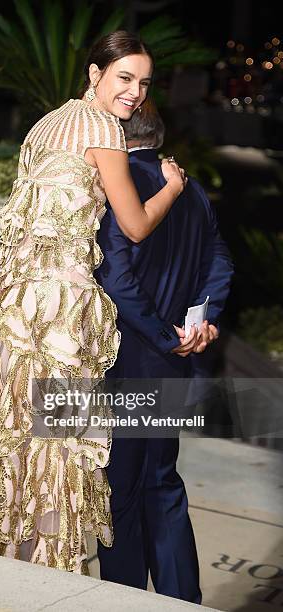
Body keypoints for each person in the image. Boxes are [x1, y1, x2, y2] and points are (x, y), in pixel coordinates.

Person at [0, 31, 188, 574]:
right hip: (62, 310)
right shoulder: (105, 131)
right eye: (124, 78)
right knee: (55, 438)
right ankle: (39, 571)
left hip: (16, 307)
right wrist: (172, 188)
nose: (134, 93)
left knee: (2, 425)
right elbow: (133, 226)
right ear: (95, 74)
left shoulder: (44, 125)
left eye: (143, 83)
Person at [95, 99, 233, 600]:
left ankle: (123, 600)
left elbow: (117, 277)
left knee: (120, 493)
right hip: (173, 364)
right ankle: (182, 602)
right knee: (162, 483)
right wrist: (203, 321)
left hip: (130, 359)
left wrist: (160, 336)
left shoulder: (118, 185)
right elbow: (219, 259)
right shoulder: (190, 188)